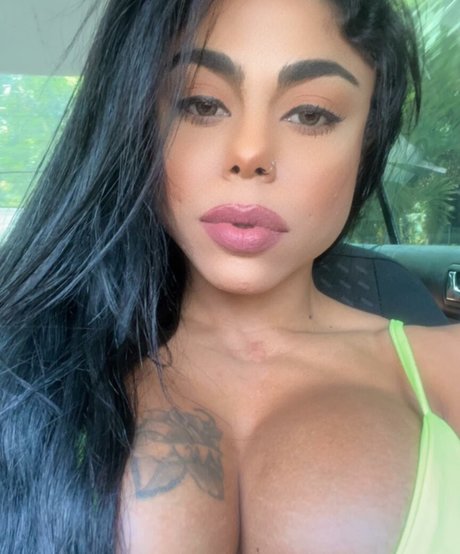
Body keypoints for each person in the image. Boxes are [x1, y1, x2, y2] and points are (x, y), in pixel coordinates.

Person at [0, 0, 458, 552]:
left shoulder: (447, 369)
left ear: (368, 138)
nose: (250, 153)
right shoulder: (24, 366)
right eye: (201, 103)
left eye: (311, 114)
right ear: (136, 122)